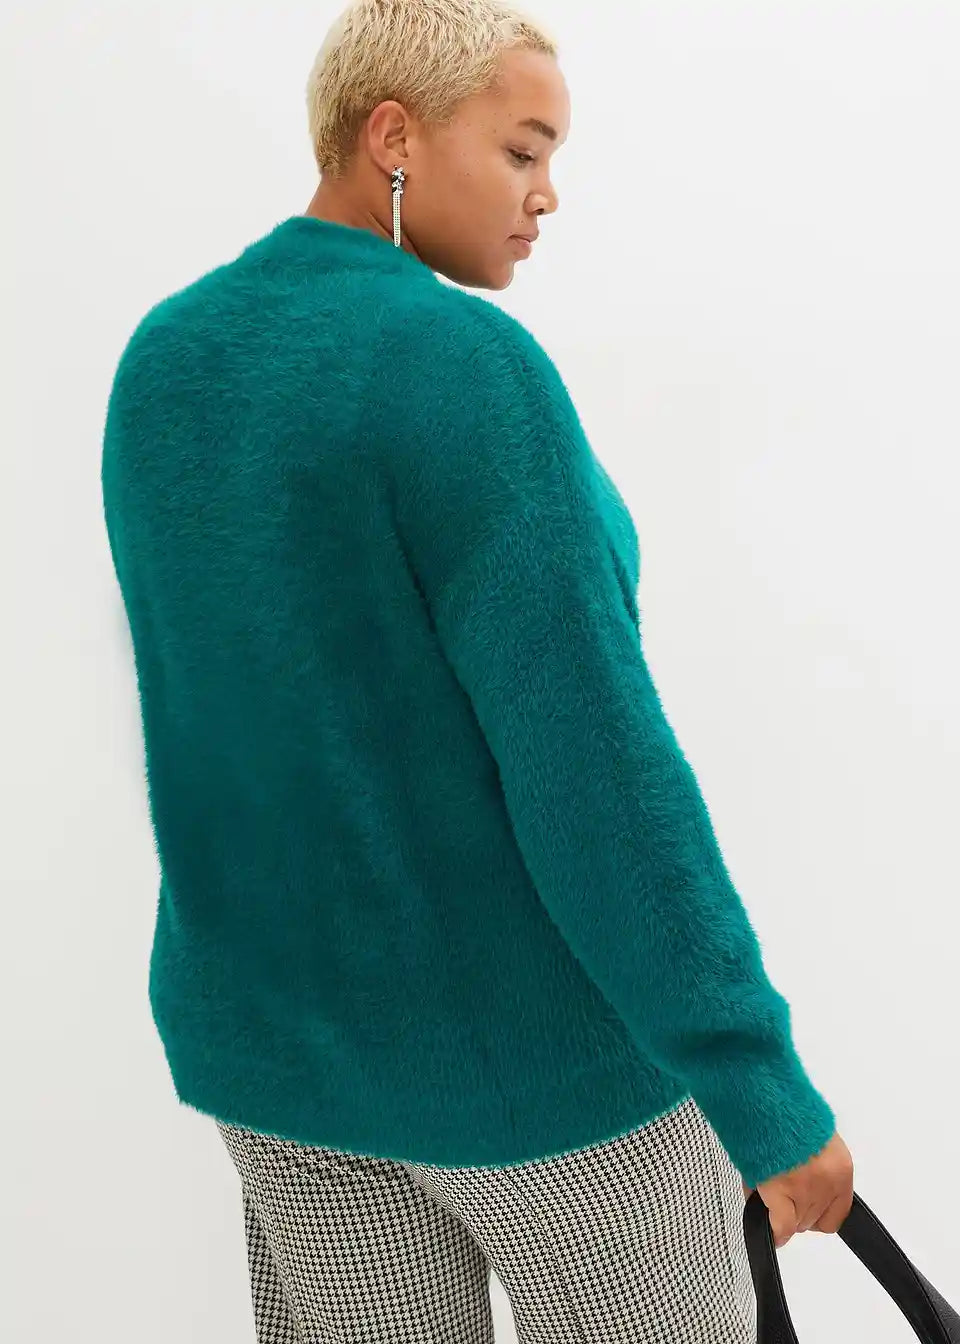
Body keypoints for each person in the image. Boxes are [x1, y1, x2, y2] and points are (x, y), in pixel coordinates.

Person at [100, 1, 854, 1340]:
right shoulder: (461, 368)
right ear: (392, 136)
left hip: (277, 1067)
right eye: (521, 150)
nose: (546, 194)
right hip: (539, 1087)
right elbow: (596, 771)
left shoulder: (166, 360)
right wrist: (760, 1086)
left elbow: (220, 721)